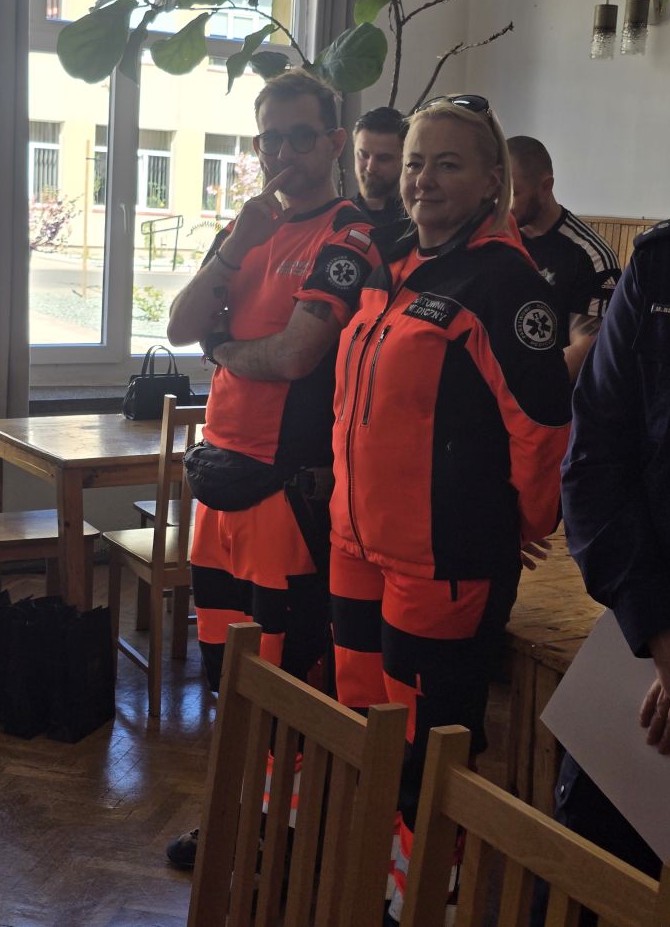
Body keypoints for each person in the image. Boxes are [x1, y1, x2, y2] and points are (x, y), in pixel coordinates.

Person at [328, 97, 572, 923]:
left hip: (444, 557)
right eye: (415, 162)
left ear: (492, 181)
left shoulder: (505, 282)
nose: (423, 179)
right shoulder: (390, 259)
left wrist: (522, 523)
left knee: (429, 739)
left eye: (447, 164)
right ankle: (375, 860)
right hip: (356, 542)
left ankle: (427, 885)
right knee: (365, 716)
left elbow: (542, 424)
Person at [166, 69, 381, 868]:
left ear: (334, 142)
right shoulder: (248, 227)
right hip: (221, 488)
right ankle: (237, 818)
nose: (284, 153)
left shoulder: (350, 234)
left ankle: (286, 840)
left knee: (286, 682)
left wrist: (224, 347)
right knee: (225, 674)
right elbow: (179, 323)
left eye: (300, 136)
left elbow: (295, 356)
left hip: (288, 494)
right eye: (270, 139)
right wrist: (233, 247)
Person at [555, 217, 670, 894]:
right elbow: (593, 465)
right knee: (589, 880)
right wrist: (662, 634)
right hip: (643, 644)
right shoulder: (662, 267)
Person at [508, 135, 621, 381]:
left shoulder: (591, 255)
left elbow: (586, 349)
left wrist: (519, 391)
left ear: (545, 187)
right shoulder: (495, 241)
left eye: (512, 194)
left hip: (550, 394)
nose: (501, 205)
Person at [351, 105, 407, 225]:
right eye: (363, 155)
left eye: (383, 158)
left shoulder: (419, 223)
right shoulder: (337, 220)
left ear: (405, 159)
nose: (371, 167)